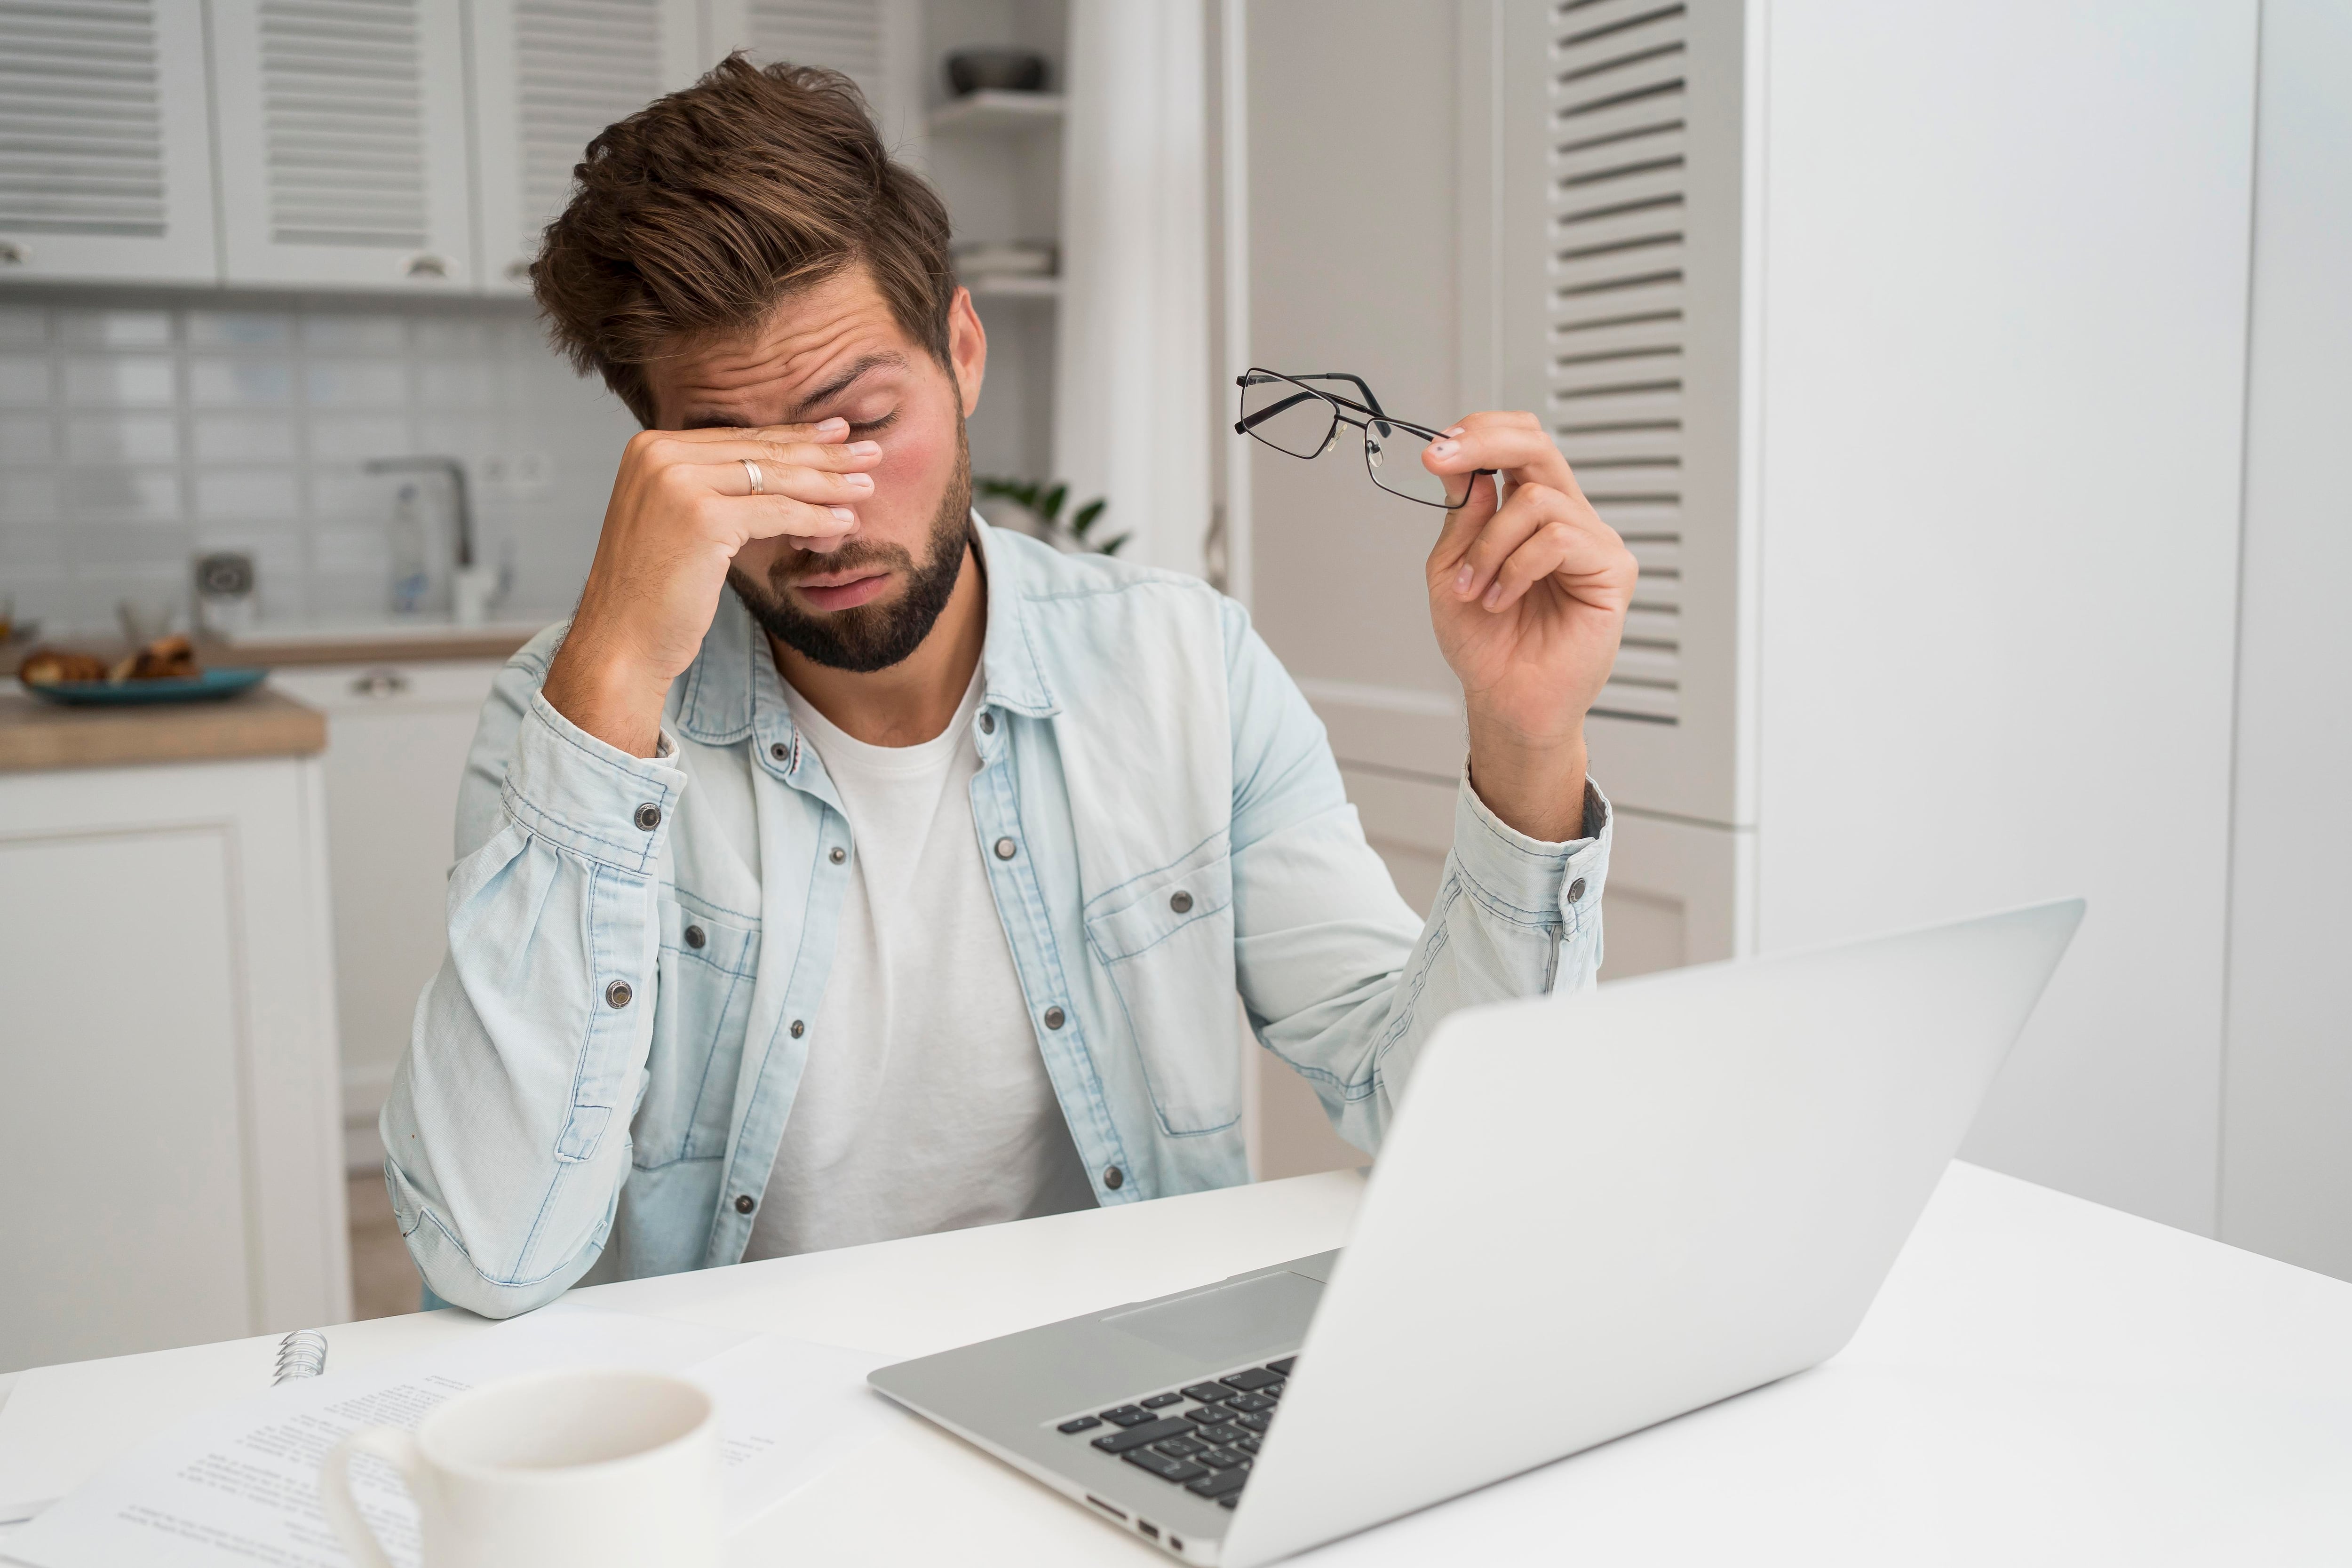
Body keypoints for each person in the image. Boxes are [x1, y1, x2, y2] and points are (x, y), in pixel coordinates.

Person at [382, 56, 1636, 1318]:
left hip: (1106, 1389)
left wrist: (1530, 738)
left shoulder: (1183, 672)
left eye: (862, 421)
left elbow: (1431, 1100)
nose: (822, 519)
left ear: (963, 352)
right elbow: (492, 1256)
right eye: (739, 459)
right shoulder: (570, 717)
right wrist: (610, 678)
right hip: (735, 1438)